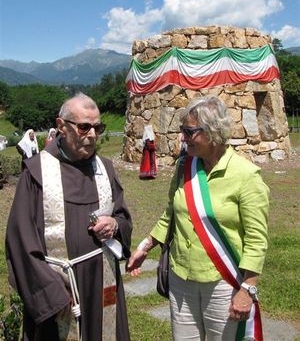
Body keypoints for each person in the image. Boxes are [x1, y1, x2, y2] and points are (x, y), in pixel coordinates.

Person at [127, 95, 269, 341]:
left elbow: (257, 241)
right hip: (181, 279)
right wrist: (146, 245)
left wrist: (247, 289)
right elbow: (171, 212)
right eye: (183, 130)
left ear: (213, 132)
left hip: (223, 283)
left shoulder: (246, 176)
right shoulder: (185, 167)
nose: (182, 137)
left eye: (189, 131)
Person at [6, 93, 132, 341]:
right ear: (61, 126)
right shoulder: (37, 172)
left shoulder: (104, 168)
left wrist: (115, 225)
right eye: (84, 127)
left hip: (102, 282)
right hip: (60, 290)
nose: (93, 134)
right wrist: (51, 294)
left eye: (98, 127)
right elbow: (20, 241)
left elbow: (123, 218)